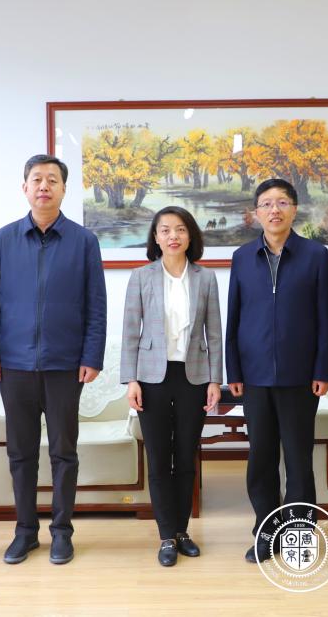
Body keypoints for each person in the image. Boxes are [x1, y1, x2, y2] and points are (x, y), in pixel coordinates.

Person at [0, 154, 107, 566]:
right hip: (14, 365)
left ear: (64, 189)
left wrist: (92, 356)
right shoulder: (4, 239)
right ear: (25, 188)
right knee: (20, 453)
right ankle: (25, 531)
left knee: (64, 453)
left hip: (65, 365)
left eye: (52, 180)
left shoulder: (84, 241)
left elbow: (96, 305)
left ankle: (62, 532)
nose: (44, 186)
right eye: (37, 179)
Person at [225, 178, 328, 563]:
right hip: (254, 376)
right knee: (262, 457)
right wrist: (234, 371)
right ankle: (266, 531)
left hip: (300, 375)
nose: (275, 210)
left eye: (282, 202)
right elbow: (234, 317)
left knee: (299, 458)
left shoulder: (315, 255)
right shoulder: (242, 257)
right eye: (267, 204)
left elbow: (327, 318)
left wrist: (323, 368)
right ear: (256, 213)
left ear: (294, 209)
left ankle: (299, 533)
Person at [120, 206, 223, 567]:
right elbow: (130, 332)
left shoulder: (205, 278)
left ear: (190, 236)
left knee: (186, 456)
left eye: (180, 229)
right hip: (152, 378)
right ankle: (166, 535)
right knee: (159, 458)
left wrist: (215, 380)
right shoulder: (141, 277)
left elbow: (214, 333)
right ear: (156, 238)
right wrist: (131, 380)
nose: (173, 236)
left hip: (194, 377)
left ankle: (182, 531)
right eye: (165, 230)